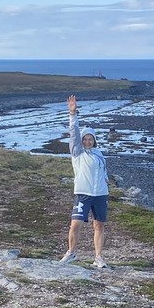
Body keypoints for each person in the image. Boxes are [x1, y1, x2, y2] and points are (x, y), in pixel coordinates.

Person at [59, 93, 109, 267]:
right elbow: (74, 133)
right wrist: (73, 114)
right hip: (83, 194)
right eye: (85, 139)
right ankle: (71, 253)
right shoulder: (77, 152)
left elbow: (103, 171)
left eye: (90, 139)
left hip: (100, 194)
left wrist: (106, 180)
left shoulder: (99, 154)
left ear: (94, 141)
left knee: (99, 226)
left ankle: (98, 257)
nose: (87, 142)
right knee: (75, 225)